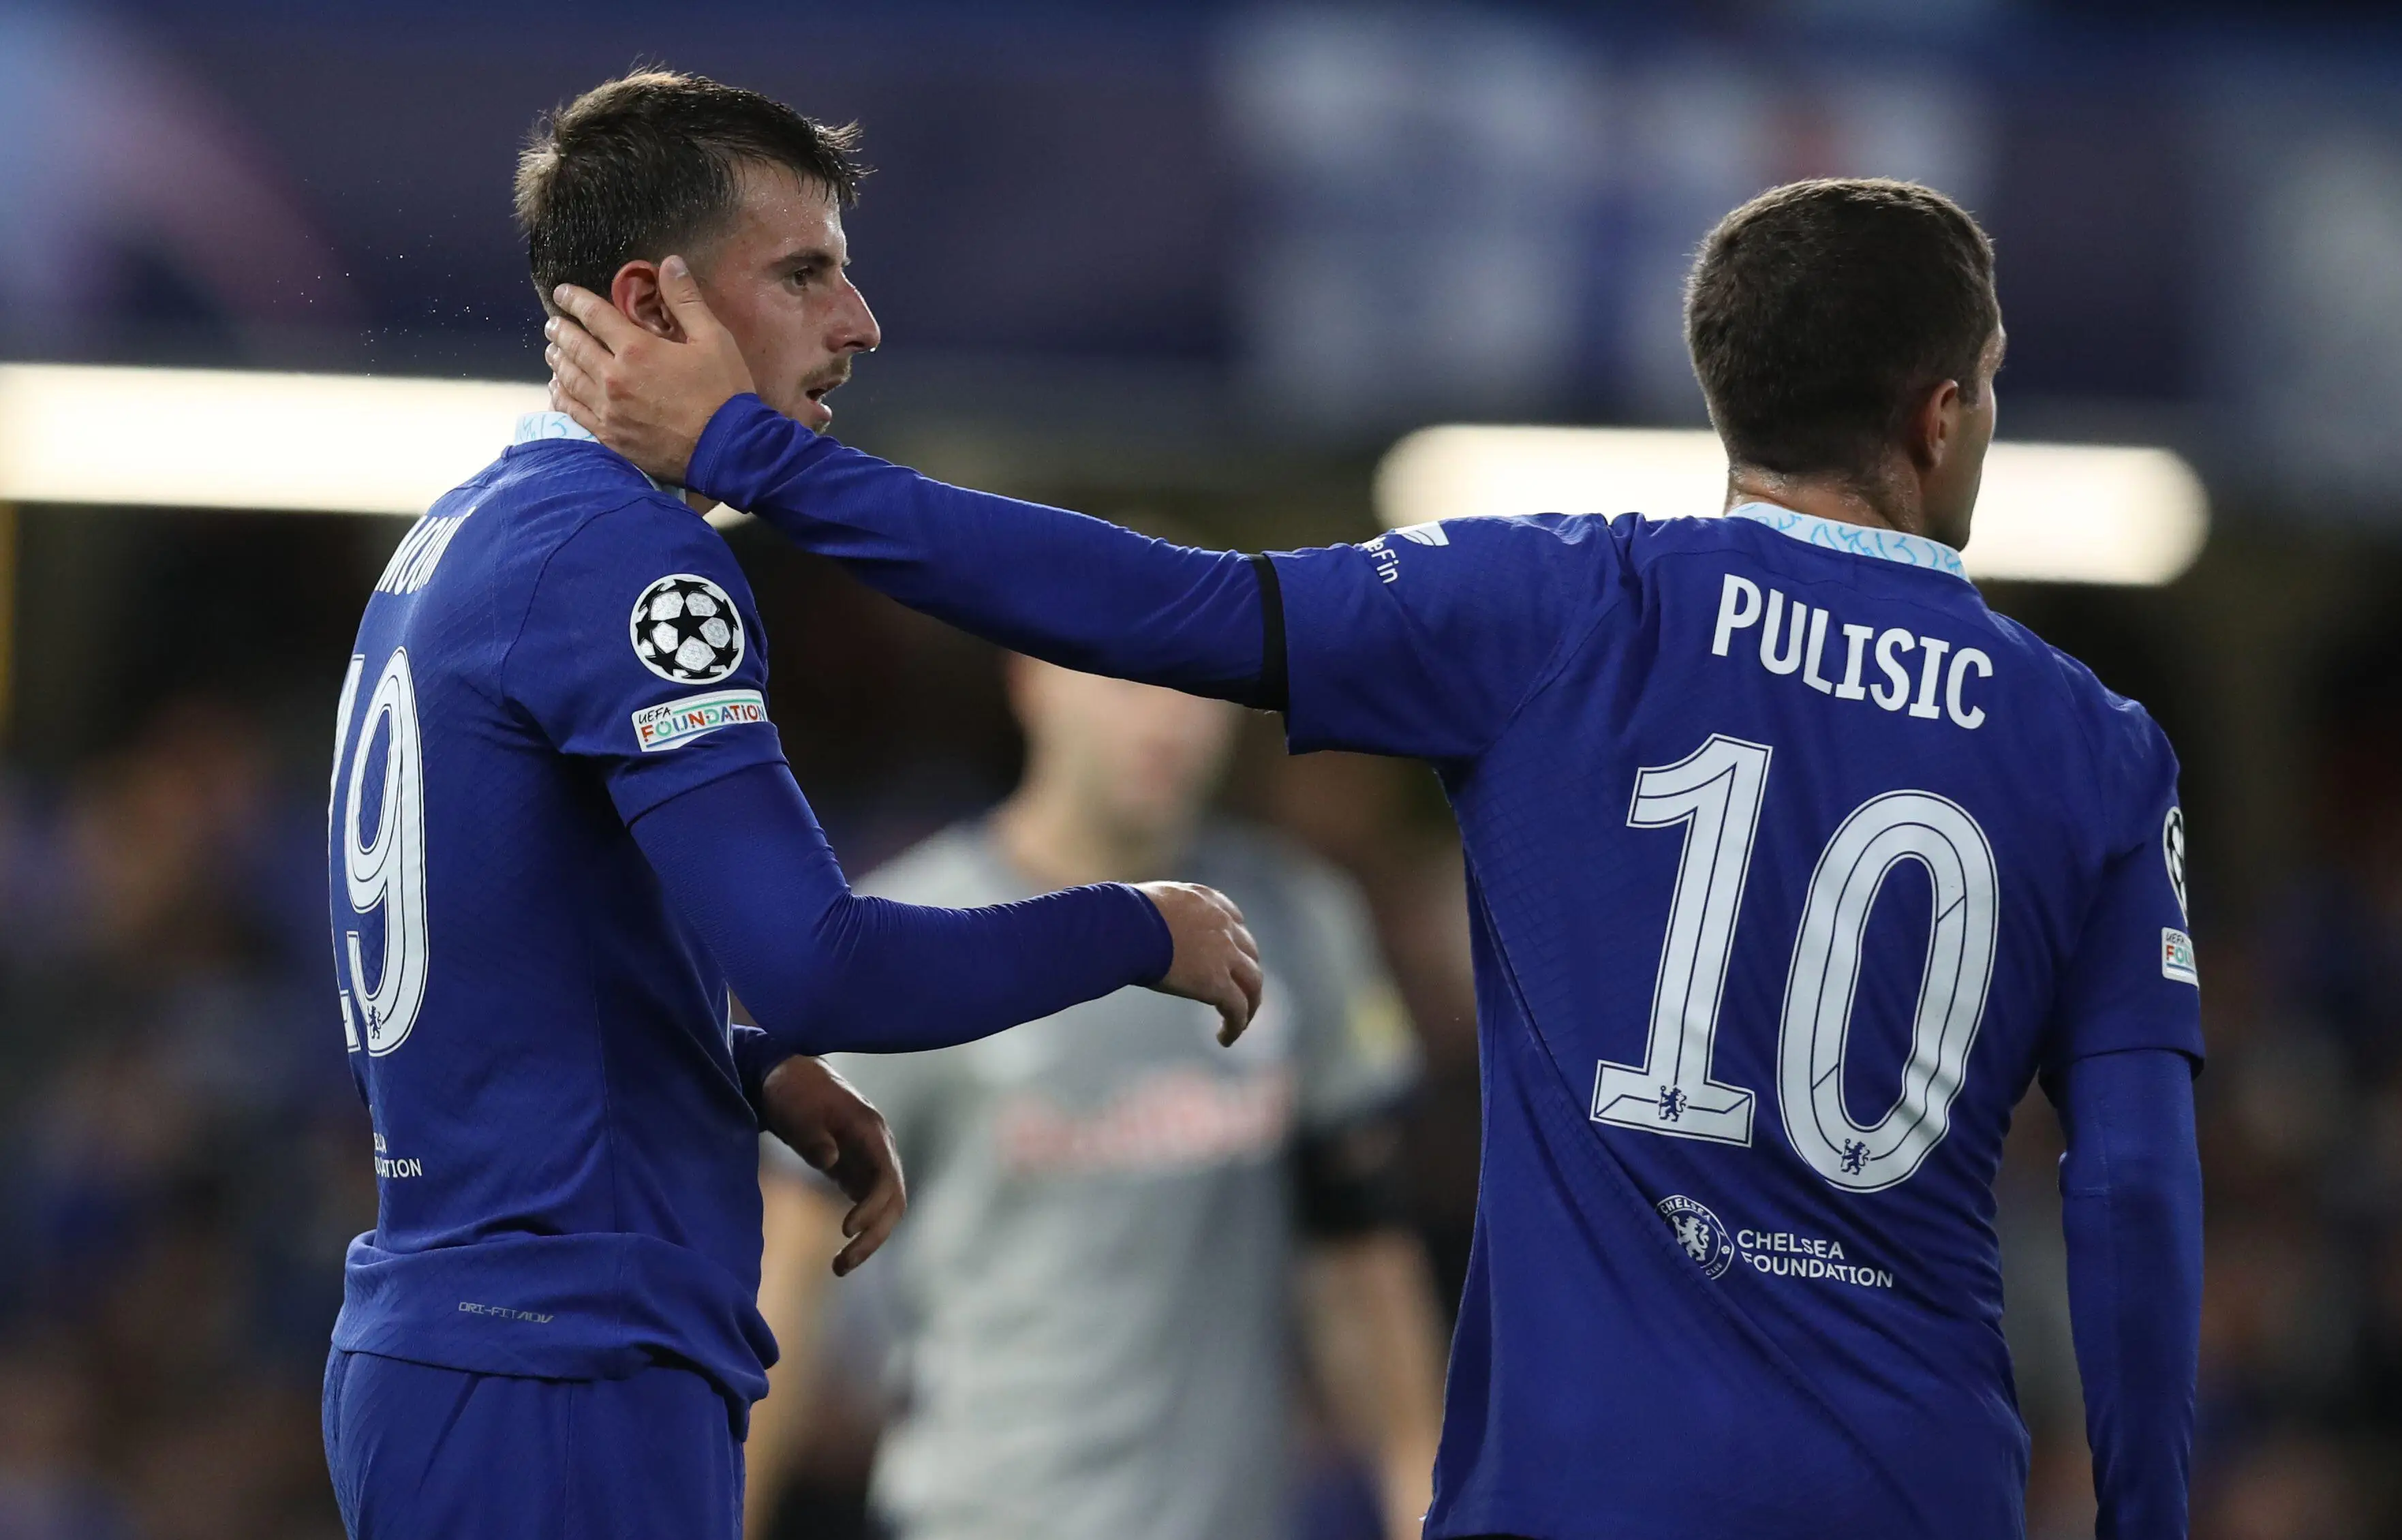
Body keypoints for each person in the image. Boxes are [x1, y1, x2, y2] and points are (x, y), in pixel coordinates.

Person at [550, 175, 2208, 1539]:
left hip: (1576, 1494)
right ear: (1939, 410)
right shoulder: (2099, 752)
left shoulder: (1557, 606)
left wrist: (751, 454)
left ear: (1732, 389)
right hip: (1910, 1492)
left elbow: (1144, 603)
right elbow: (2131, 1187)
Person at [317, 72, 1263, 1540]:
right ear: (655, 304)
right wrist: (1139, 926)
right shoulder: (627, 559)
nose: (859, 321)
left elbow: (496, 957)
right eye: (805, 273)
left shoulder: (469, 531)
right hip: (564, 1364)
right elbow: (829, 964)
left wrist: (737, 1066)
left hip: (473, 1343)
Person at [746, 654, 1448, 1540]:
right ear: (1031, 681)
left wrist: (1419, 1497)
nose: (1168, 719)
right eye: (1127, 678)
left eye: (1199, 683)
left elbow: (1363, 1265)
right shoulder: (900, 944)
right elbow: (785, 1291)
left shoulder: (1299, 923)